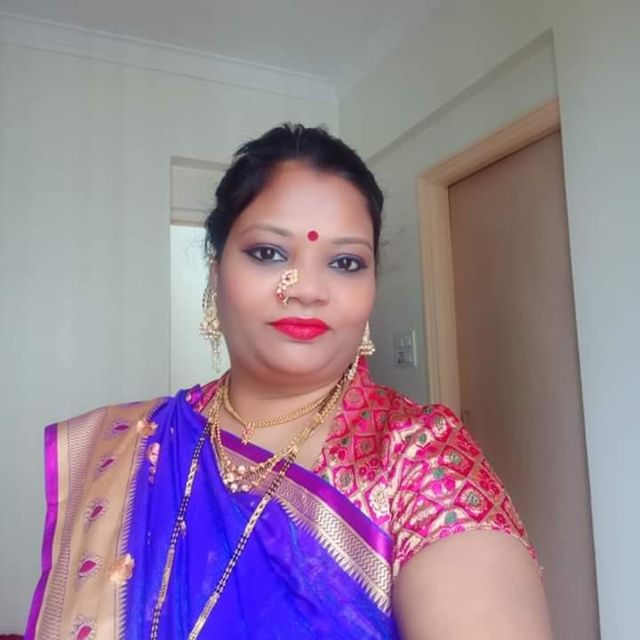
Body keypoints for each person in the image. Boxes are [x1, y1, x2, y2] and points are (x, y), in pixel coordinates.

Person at [26, 124, 552, 639]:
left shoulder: (418, 458)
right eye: (269, 253)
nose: (306, 289)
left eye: (345, 262)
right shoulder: (136, 444)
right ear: (215, 271)